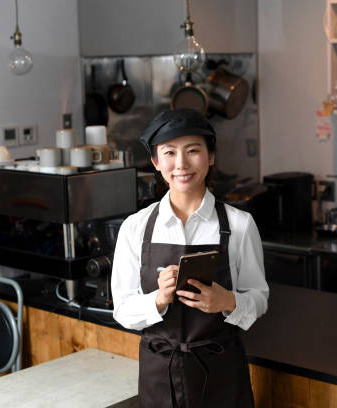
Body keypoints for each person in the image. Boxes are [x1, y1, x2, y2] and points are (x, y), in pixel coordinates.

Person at [111, 108, 269, 408]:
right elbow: (122, 309)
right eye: (169, 152)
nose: (181, 164)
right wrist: (157, 299)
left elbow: (259, 298)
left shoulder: (239, 224)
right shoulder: (136, 227)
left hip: (222, 374)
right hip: (160, 375)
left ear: (210, 157)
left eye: (193, 151)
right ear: (156, 162)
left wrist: (228, 302)